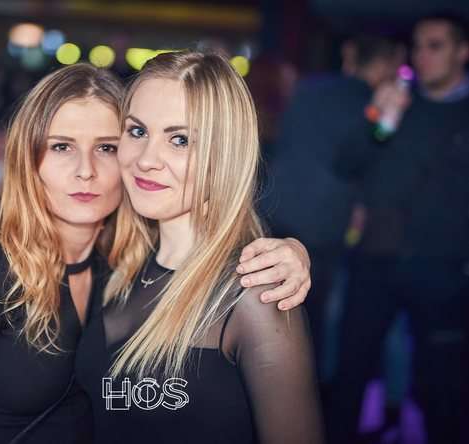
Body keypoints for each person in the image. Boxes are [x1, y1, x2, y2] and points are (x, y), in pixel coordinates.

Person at [0, 63, 313, 444]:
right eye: (62, 146)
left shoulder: (126, 266)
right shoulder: (5, 264)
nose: (86, 170)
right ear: (27, 158)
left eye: (107, 147)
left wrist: (295, 251)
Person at [76, 50, 324, 444]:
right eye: (137, 131)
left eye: (180, 140)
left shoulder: (255, 292)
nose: (146, 159)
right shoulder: (113, 262)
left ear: (223, 154)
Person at [328, 12, 469, 444]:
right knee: (350, 371)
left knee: (442, 385)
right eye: (418, 46)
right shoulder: (397, 102)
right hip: (376, 260)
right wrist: (380, 118)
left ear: (463, 52)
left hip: (443, 268)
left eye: (435, 45)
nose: (422, 55)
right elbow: (346, 162)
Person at [262, 35, 402, 369]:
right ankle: (305, 386)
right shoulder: (366, 101)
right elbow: (353, 159)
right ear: (385, 65)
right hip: (322, 227)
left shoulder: (309, 87)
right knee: (312, 318)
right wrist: (384, 121)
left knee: (272, 305)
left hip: (275, 210)